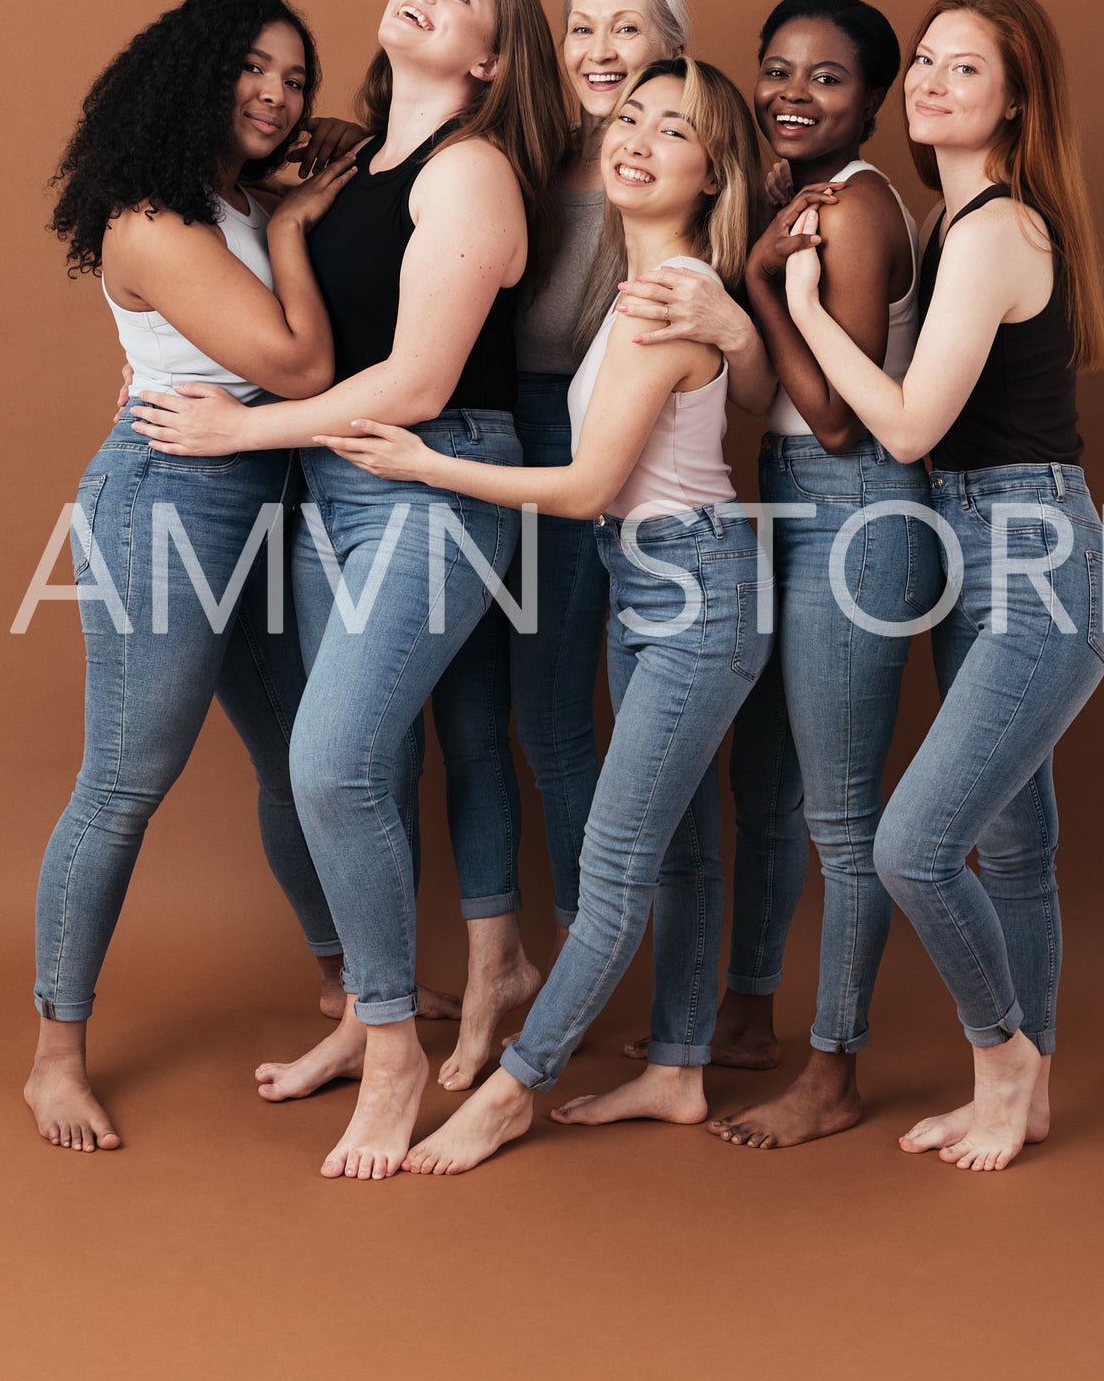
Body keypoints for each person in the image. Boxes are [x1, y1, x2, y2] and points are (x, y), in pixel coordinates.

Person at [129, 0, 568, 1180]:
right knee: (359, 763)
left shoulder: (471, 170)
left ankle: (389, 1049)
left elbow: (420, 382)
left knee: (327, 762)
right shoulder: (348, 164)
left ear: (487, 61)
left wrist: (230, 430)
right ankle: (390, 1015)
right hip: (336, 487)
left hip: (433, 480)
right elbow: (278, 325)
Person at [321, 58, 770, 1174]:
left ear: (712, 172)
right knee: (663, 851)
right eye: (628, 118)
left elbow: (578, 490)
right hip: (650, 582)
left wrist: (429, 463)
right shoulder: (646, 287)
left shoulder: (666, 303)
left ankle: (515, 1090)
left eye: (673, 131)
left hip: (692, 593)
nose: (636, 139)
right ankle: (673, 1066)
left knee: (616, 865)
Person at [780, 0, 1104, 1170]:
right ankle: (1024, 1099)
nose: (926, 80)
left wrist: (802, 307)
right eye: (922, 59)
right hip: (978, 550)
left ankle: (1003, 1056)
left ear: (1015, 102)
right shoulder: (962, 221)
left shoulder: (991, 231)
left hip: (1030, 560)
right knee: (1014, 845)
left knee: (911, 844)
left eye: (961, 68)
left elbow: (911, 427)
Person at [28, 0, 357, 1153]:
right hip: (166, 505)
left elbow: (366, 157)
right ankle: (55, 1057)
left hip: (261, 494)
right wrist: (291, 228)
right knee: (122, 782)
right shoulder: (154, 218)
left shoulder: (229, 195)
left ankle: (342, 978)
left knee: (295, 758)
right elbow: (302, 362)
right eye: (251, 71)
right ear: (193, 77)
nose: (276, 94)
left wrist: (305, 174)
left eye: (295, 79)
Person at [703, 0, 940, 1149]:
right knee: (767, 781)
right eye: (776, 68)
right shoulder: (805, 198)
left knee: (840, 815)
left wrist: (756, 286)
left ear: (872, 99)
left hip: (854, 504)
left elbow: (841, 419)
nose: (792, 95)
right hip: (796, 500)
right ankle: (748, 1009)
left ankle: (832, 1068)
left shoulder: (848, 210)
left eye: (826, 77)